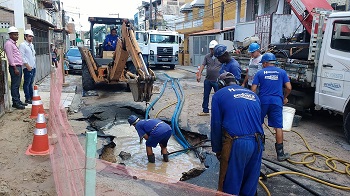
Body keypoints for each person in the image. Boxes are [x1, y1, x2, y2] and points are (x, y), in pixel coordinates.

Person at [211, 72, 264, 195]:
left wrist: (218, 149)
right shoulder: (253, 95)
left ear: (221, 84)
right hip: (258, 142)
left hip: (237, 143)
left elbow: (216, 124)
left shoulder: (219, 95)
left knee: (231, 184)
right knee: (250, 184)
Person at [251, 53, 292, 162]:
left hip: (263, 101)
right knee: (278, 127)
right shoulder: (282, 72)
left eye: (263, 64)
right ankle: (280, 154)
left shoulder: (260, 73)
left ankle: (260, 146)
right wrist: (284, 97)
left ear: (265, 63)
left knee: (257, 123)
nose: (262, 65)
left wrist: (254, 101)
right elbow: (288, 87)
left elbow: (253, 89)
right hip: (277, 102)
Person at [196, 40, 221, 116]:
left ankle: (218, 112)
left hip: (217, 81)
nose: (212, 50)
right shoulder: (207, 56)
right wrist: (199, 75)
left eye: (213, 48)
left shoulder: (220, 57)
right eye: (211, 49)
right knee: (206, 95)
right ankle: (205, 110)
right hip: (208, 80)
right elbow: (203, 65)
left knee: (218, 97)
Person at [4, 26, 26, 109]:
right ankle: (15, 102)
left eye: (17, 34)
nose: (17, 36)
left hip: (18, 66)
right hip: (15, 67)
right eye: (15, 35)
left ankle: (18, 100)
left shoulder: (13, 44)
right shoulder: (8, 44)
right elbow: (10, 57)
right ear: (10, 35)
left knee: (17, 84)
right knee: (15, 85)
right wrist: (15, 68)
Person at [19, 29, 36, 104]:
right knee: (27, 83)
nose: (31, 38)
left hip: (33, 66)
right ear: (25, 37)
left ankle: (32, 96)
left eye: (32, 36)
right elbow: (22, 57)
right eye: (29, 36)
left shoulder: (31, 45)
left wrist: (33, 66)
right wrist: (27, 65)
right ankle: (27, 98)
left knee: (31, 82)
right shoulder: (23, 45)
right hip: (27, 67)